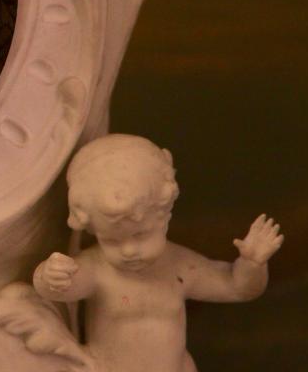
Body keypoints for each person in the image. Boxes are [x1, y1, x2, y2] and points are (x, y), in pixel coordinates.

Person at [32, 134, 283, 372]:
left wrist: (252, 263)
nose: (129, 250)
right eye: (111, 240)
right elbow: (58, 291)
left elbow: (236, 287)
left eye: (141, 235)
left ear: (164, 218)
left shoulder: (179, 266)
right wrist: (50, 275)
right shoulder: (98, 269)